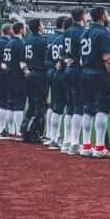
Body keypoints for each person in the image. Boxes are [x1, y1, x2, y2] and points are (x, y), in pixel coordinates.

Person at [80, 6, 110, 158]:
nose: (108, 16)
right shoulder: (103, 33)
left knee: (88, 110)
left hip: (85, 73)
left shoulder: (85, 33)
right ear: (102, 16)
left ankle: (86, 145)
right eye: (107, 14)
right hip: (99, 74)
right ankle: (100, 147)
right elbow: (108, 59)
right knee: (102, 109)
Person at [62, 7, 87, 155]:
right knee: (79, 105)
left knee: (70, 105)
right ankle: (75, 142)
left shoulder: (67, 31)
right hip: (78, 69)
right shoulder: (81, 31)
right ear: (82, 16)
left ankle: (67, 140)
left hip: (69, 69)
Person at [23, 19, 48, 141]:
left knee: (31, 104)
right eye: (42, 24)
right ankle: (34, 132)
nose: (43, 27)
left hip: (29, 74)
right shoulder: (42, 41)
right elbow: (46, 60)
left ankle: (25, 131)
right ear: (38, 27)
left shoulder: (27, 41)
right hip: (39, 74)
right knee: (40, 105)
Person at [45, 16, 68, 149]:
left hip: (53, 75)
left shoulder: (52, 39)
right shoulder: (65, 39)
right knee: (68, 109)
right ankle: (60, 138)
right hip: (64, 75)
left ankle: (51, 136)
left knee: (53, 106)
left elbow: (47, 60)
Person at [6, 21, 28, 138]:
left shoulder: (9, 43)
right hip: (18, 76)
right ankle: (19, 131)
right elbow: (22, 62)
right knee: (19, 105)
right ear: (20, 30)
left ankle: (11, 130)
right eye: (23, 29)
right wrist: (26, 73)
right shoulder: (20, 43)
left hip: (8, 76)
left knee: (10, 104)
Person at [0, 23, 13, 138]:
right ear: (9, 30)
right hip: (3, 74)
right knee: (3, 103)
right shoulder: (6, 43)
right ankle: (1, 130)